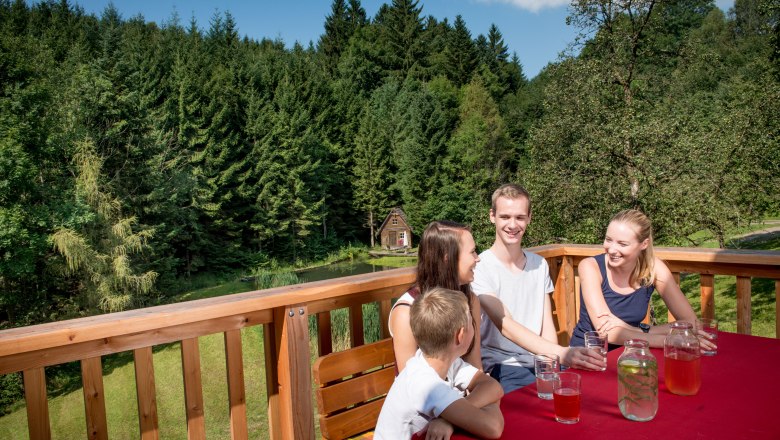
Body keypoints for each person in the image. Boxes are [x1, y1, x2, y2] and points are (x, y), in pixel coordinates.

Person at [474, 184, 605, 393]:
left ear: (529, 218)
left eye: (520, 217)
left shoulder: (539, 264)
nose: (512, 225)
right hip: (503, 365)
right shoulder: (480, 266)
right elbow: (505, 325)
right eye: (505, 217)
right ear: (492, 216)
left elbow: (546, 325)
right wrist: (562, 353)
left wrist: (552, 361)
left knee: (586, 390)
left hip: (542, 359)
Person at [570, 209, 716, 351]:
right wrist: (669, 340)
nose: (612, 249)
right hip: (587, 357)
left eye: (622, 244)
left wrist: (635, 329)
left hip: (632, 354)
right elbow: (608, 333)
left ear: (644, 244)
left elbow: (691, 323)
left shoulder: (654, 268)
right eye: (608, 240)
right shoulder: (590, 266)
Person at [375, 288, 504, 440]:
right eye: (473, 323)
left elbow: (494, 387)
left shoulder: (443, 361)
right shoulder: (427, 385)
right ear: (460, 335)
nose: (479, 322)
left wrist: (449, 420)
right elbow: (493, 427)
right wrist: (491, 403)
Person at [389, 220, 482, 373]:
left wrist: (482, 391)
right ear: (447, 259)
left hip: (463, 393)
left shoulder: (470, 300)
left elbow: (475, 362)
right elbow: (410, 386)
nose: (477, 258)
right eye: (472, 252)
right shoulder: (406, 312)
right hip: (428, 396)